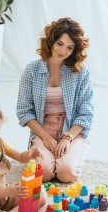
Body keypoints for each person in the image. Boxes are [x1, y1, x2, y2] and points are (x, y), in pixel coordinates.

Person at [17, 17, 94, 183]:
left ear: (75, 50)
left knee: (67, 174)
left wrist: (67, 138)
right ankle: (45, 155)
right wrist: (44, 137)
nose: (63, 51)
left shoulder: (81, 72)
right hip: (43, 127)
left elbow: (86, 112)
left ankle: (77, 151)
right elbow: (24, 111)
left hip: (72, 129)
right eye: (60, 44)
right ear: (51, 41)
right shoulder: (32, 70)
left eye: (69, 47)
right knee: (43, 174)